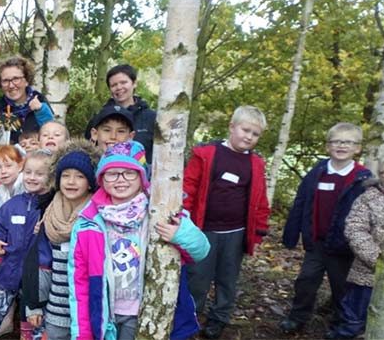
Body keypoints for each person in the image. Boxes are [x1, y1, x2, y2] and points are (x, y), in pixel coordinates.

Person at [69, 141, 210, 340]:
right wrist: (81, 335)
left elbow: (201, 249)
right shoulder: (87, 223)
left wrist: (180, 234)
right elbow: (79, 283)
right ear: (101, 178)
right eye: (111, 173)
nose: (120, 180)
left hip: (143, 311)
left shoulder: (160, 212)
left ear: (142, 176)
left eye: (129, 172)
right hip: (102, 312)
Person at [182, 106, 272, 338]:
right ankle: (190, 316)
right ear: (232, 127)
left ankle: (219, 318)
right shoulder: (207, 154)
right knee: (198, 278)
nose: (249, 137)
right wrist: (183, 219)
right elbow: (188, 187)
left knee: (227, 279)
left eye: (255, 134)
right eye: (245, 130)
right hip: (204, 231)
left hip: (236, 232)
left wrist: (259, 228)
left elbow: (260, 198)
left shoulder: (256, 164)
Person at [280, 122, 373, 334]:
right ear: (328, 146)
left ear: (357, 148)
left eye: (348, 142)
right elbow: (301, 203)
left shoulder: (363, 178)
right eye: (336, 141)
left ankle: (341, 323)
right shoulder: (317, 173)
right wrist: (290, 236)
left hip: (344, 247)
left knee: (342, 286)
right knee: (305, 281)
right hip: (316, 243)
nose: (341, 146)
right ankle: (297, 317)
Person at [326, 148, 384, 339]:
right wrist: (379, 260)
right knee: (353, 320)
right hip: (366, 275)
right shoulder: (367, 198)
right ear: (380, 174)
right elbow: (355, 229)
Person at [22, 140, 100, 340]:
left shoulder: (98, 216)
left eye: (79, 176)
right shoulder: (49, 215)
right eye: (65, 175)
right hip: (56, 305)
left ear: (90, 181)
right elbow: (40, 263)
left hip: (89, 306)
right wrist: (34, 305)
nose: (71, 182)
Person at [0, 150, 55, 340]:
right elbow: (0, 226)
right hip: (10, 270)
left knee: (34, 319)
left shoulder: (53, 205)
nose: (32, 177)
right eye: (28, 172)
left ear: (51, 176)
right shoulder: (13, 204)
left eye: (39, 173)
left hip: (37, 275)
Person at [84, 64, 156, 157]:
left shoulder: (151, 118)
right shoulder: (99, 118)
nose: (119, 87)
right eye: (114, 85)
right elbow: (88, 149)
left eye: (123, 82)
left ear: (134, 83)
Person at [0, 56, 55, 144]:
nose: (11, 85)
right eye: (5, 81)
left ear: (26, 80)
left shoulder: (40, 102)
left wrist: (40, 110)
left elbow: (52, 132)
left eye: (16, 79)